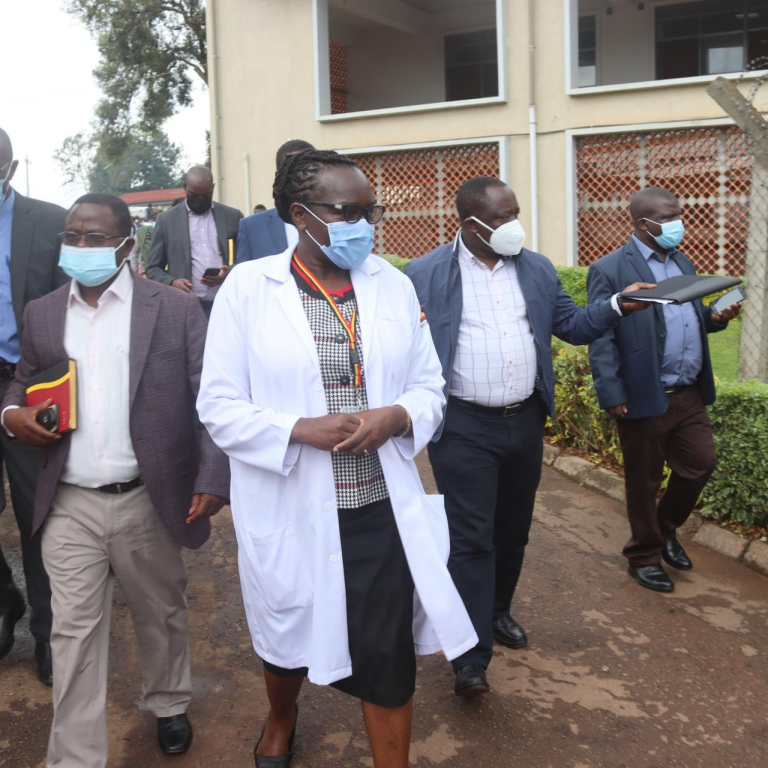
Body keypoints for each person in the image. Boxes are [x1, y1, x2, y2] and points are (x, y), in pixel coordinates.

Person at [198, 150, 477, 768]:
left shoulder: (393, 285)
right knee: (286, 632)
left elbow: (429, 385)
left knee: (387, 655)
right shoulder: (249, 288)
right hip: (291, 505)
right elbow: (217, 404)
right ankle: (281, 716)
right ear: (300, 215)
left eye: (369, 210)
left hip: (378, 506)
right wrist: (297, 428)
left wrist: (399, 416)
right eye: (348, 212)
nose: (365, 223)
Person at [1, 194, 230, 767]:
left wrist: (212, 474)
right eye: (73, 237)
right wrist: (12, 415)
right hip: (70, 502)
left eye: (95, 238)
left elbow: (211, 397)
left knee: (161, 611)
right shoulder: (44, 313)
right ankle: (75, 758)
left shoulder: (174, 311)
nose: (81, 247)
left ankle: (170, 700)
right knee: (73, 635)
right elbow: (22, 381)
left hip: (147, 499)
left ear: (128, 243)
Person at [405, 177, 653, 697]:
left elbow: (572, 324)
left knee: (512, 530)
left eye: (515, 212)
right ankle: (469, 655)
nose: (512, 224)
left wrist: (614, 307)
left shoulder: (535, 268)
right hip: (464, 426)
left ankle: (497, 612)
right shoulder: (425, 274)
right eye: (500, 217)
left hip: (524, 421)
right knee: (471, 538)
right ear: (469, 224)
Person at [587, 187, 741, 593]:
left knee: (700, 464)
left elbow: (689, 320)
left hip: (687, 391)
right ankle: (643, 556)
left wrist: (716, 316)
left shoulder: (681, 259)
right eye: (669, 217)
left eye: (679, 214)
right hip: (643, 391)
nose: (678, 223)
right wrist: (611, 392)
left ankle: (664, 529)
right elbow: (600, 334)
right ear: (642, 224)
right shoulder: (610, 268)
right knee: (644, 481)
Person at [0, 127, 68, 686]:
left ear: (11, 169)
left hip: (28, 383)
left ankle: (48, 634)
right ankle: (7, 603)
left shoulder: (49, 221)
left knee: (36, 514)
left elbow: (77, 308)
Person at [145, 166, 243, 317]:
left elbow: (247, 260)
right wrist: (172, 282)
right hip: (186, 308)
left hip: (228, 305)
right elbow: (152, 268)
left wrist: (230, 272)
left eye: (206, 195)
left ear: (213, 188)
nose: (200, 200)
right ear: (185, 188)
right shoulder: (167, 220)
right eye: (194, 194)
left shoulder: (233, 216)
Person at [235, 139, 315, 264]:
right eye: (291, 172)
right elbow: (244, 278)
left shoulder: (334, 221)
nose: (300, 178)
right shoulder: (252, 228)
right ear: (278, 176)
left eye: (306, 171)